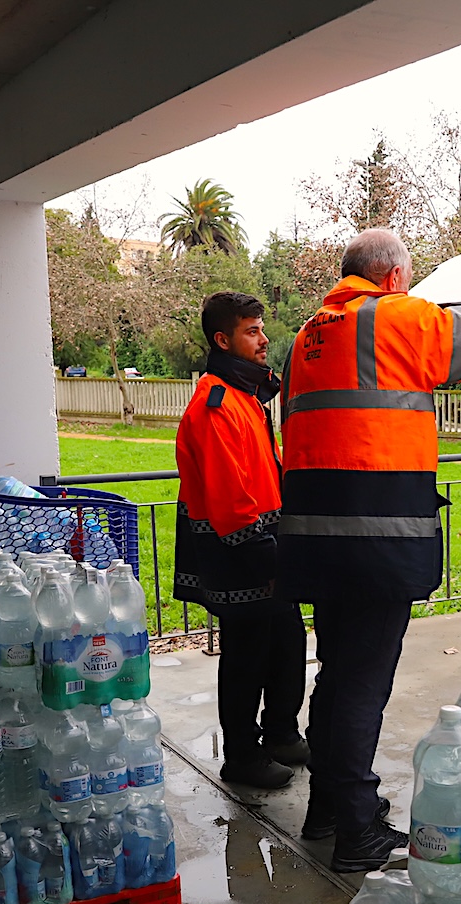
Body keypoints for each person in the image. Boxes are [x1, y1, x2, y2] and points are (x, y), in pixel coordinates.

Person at [278, 228, 461, 871]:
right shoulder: (395, 318)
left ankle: (328, 810)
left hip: (316, 539)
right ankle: (357, 826)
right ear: (392, 278)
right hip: (376, 542)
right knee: (362, 685)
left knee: (337, 676)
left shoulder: (307, 337)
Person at [173, 291, 310, 789]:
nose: (263, 339)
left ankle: (280, 734)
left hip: (266, 544)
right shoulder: (214, 404)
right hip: (240, 551)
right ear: (222, 339)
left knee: (287, 644)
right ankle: (242, 757)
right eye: (252, 330)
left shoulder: (245, 396)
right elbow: (231, 496)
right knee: (247, 657)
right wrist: (266, 552)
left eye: (261, 329)